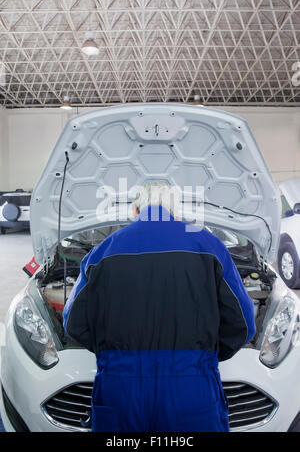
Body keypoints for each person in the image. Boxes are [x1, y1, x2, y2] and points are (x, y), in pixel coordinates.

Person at [63, 182, 256, 432]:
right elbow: (243, 323)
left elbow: (73, 323)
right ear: (176, 212)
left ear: (134, 210)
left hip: (120, 390)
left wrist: (111, 354)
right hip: (192, 388)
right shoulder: (209, 246)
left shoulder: (101, 252)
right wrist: (204, 356)